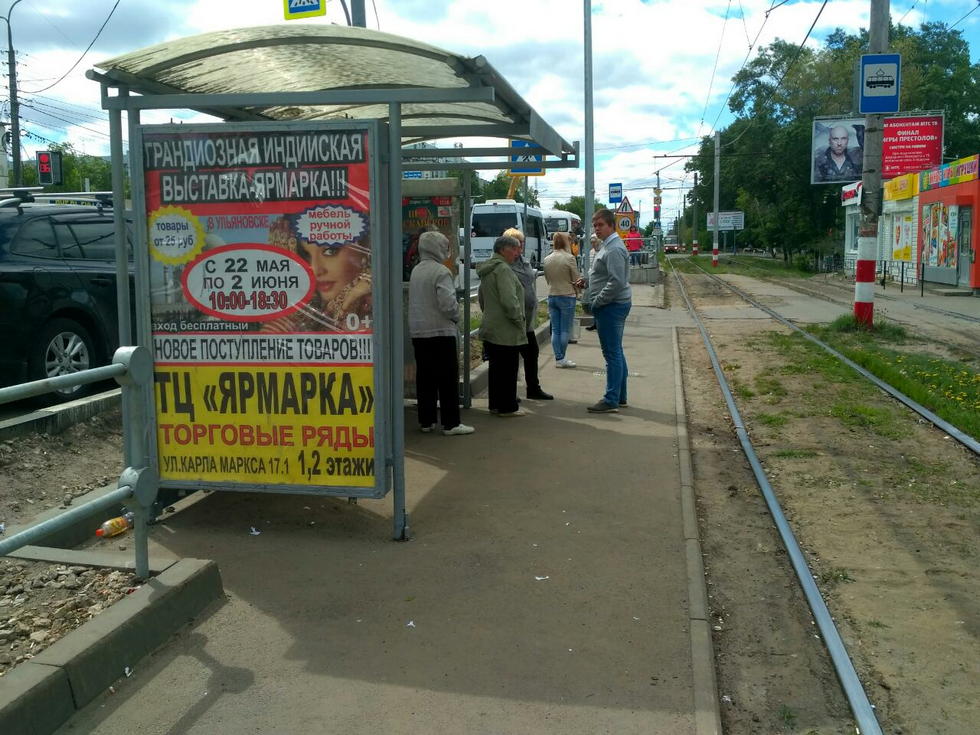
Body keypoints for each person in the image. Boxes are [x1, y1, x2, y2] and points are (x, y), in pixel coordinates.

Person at [408, 231, 474, 436]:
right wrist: (456, 316)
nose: (447, 250)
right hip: (441, 331)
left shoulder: (416, 270)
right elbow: (447, 305)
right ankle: (451, 423)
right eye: (445, 246)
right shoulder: (441, 272)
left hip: (419, 332)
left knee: (425, 377)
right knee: (447, 378)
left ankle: (426, 421)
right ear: (437, 248)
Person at [262, 216, 372, 333]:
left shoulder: (373, 304)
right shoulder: (307, 315)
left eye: (330, 251)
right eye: (305, 255)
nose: (314, 269)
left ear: (364, 249)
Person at [575, 209, 632, 413]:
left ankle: (611, 400)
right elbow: (603, 273)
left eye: (600, 225)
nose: (596, 229)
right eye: (594, 225)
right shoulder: (607, 246)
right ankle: (620, 396)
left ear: (610, 225)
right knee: (616, 351)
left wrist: (598, 301)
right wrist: (588, 281)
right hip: (613, 304)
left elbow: (617, 281)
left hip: (611, 306)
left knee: (611, 353)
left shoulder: (614, 248)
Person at [476, 235, 528, 417]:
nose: (517, 252)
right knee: (508, 369)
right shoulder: (503, 270)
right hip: (506, 329)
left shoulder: (489, 268)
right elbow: (509, 301)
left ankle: (495, 404)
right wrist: (518, 319)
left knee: (496, 369)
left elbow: (482, 297)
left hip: (491, 325)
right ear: (503, 250)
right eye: (515, 249)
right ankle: (507, 407)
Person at [501, 227, 553, 400]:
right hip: (513, 321)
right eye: (517, 244)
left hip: (527, 321)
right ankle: (510, 392)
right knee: (511, 359)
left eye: (522, 243)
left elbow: (529, 280)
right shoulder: (504, 266)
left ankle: (533, 388)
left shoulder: (524, 262)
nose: (521, 248)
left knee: (532, 353)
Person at [542, 232, 580, 368]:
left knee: (556, 330)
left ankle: (558, 358)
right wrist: (578, 292)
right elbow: (576, 279)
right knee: (565, 330)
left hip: (552, 295)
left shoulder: (547, 259)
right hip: (567, 295)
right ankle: (561, 358)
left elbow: (547, 279)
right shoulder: (569, 258)